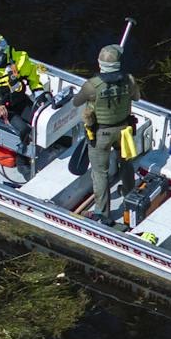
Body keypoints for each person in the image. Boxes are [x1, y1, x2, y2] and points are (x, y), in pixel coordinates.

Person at [73, 44, 138, 225]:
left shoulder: (92, 86)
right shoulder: (129, 80)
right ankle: (130, 196)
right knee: (126, 163)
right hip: (124, 130)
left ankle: (102, 213)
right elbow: (136, 97)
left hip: (101, 134)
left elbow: (76, 102)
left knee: (100, 172)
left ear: (99, 63)